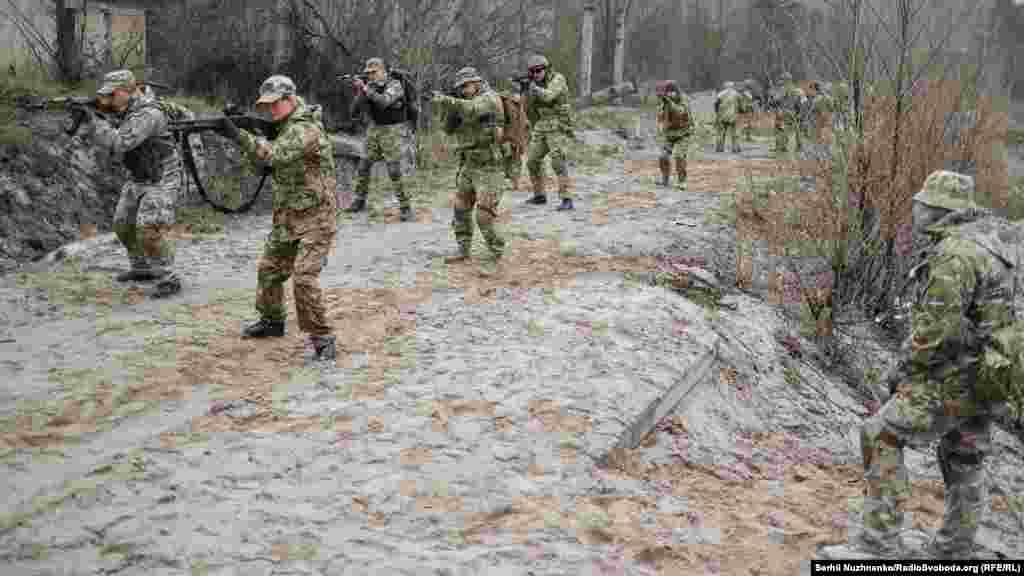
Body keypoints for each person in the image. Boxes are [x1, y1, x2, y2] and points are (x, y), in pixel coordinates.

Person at [818, 170, 1021, 560]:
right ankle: (954, 549)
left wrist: (902, 372)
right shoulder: (994, 245)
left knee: (881, 435)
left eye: (922, 205)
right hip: (988, 374)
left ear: (939, 210)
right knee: (966, 454)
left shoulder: (955, 255)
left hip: (953, 374)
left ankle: (878, 546)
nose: (915, 210)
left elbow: (934, 332)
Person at [217, 75, 338, 362]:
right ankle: (272, 321)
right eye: (266, 106)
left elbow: (273, 156)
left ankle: (322, 337)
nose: (270, 110)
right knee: (269, 269)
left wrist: (238, 135)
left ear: (290, 99)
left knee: (304, 278)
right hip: (288, 214)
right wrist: (245, 134)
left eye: (275, 104)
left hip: (317, 216)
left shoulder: (304, 128)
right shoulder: (283, 127)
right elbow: (263, 167)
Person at [82, 69, 183, 298]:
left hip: (162, 178)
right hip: (139, 175)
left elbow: (120, 143)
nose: (108, 98)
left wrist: (96, 120)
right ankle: (141, 268)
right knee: (122, 224)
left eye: (112, 93)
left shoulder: (148, 113)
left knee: (149, 229)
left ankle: (168, 277)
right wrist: (101, 111)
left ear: (127, 91)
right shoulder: (126, 109)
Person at [429, 67, 508, 263]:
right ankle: (463, 250)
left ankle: (497, 250)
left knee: (483, 216)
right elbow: (447, 129)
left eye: (467, 85)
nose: (464, 90)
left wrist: (448, 101)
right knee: (460, 208)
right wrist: (447, 110)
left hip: (491, 167)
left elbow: (473, 109)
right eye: (460, 87)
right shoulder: (462, 103)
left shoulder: (490, 98)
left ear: (477, 82)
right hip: (469, 164)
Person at [346, 57, 413, 222]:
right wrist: (360, 91)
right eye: (368, 73)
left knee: (394, 170)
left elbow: (384, 102)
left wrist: (366, 89)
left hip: (393, 130)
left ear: (383, 71)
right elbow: (354, 111)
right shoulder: (370, 86)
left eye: (374, 72)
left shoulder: (395, 85)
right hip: (375, 128)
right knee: (363, 165)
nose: (371, 76)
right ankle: (359, 200)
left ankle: (405, 207)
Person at [523, 54, 576, 211]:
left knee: (558, 161)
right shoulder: (534, 84)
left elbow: (549, 96)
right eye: (532, 71)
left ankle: (567, 198)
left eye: (539, 70)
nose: (536, 74)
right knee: (532, 161)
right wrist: (524, 91)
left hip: (558, 124)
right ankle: (539, 195)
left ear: (547, 69)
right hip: (542, 125)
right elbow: (529, 108)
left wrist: (532, 87)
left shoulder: (558, 79)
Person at [655, 80, 691, 191]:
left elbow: (680, 112)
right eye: (668, 92)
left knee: (679, 156)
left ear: (677, 92)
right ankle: (665, 179)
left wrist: (669, 102)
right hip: (669, 135)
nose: (670, 94)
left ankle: (682, 181)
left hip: (683, 134)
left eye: (672, 92)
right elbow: (660, 116)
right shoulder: (664, 102)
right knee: (663, 156)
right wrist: (660, 125)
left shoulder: (683, 100)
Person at [774, 72, 805, 154]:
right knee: (797, 129)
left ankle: (781, 146)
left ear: (785, 80)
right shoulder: (798, 90)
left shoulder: (783, 89)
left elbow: (776, 99)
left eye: (782, 79)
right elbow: (803, 102)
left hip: (784, 112)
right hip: (795, 112)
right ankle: (799, 146)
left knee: (781, 129)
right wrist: (800, 113)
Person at [714, 81, 742, 154]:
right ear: (732, 86)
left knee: (721, 132)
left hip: (722, 116)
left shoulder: (720, 94)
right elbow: (741, 103)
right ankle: (735, 148)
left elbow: (716, 104)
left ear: (725, 86)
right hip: (733, 116)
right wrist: (741, 110)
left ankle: (719, 148)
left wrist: (717, 112)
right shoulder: (736, 94)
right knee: (734, 133)